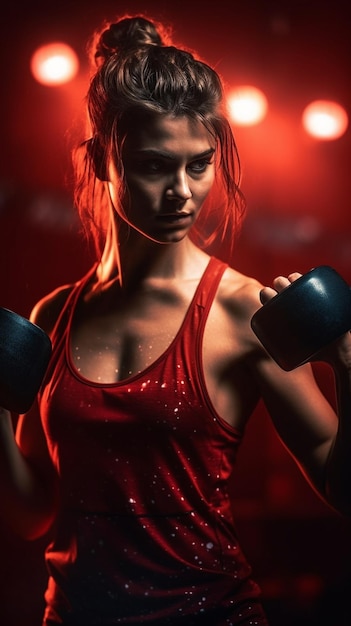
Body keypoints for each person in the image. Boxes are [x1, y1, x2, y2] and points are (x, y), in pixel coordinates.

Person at [0, 13, 350, 626]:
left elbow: (341, 485)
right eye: (156, 166)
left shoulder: (245, 311)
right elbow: (32, 512)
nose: (183, 193)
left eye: (199, 164)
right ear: (102, 159)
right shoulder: (52, 315)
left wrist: (349, 366)